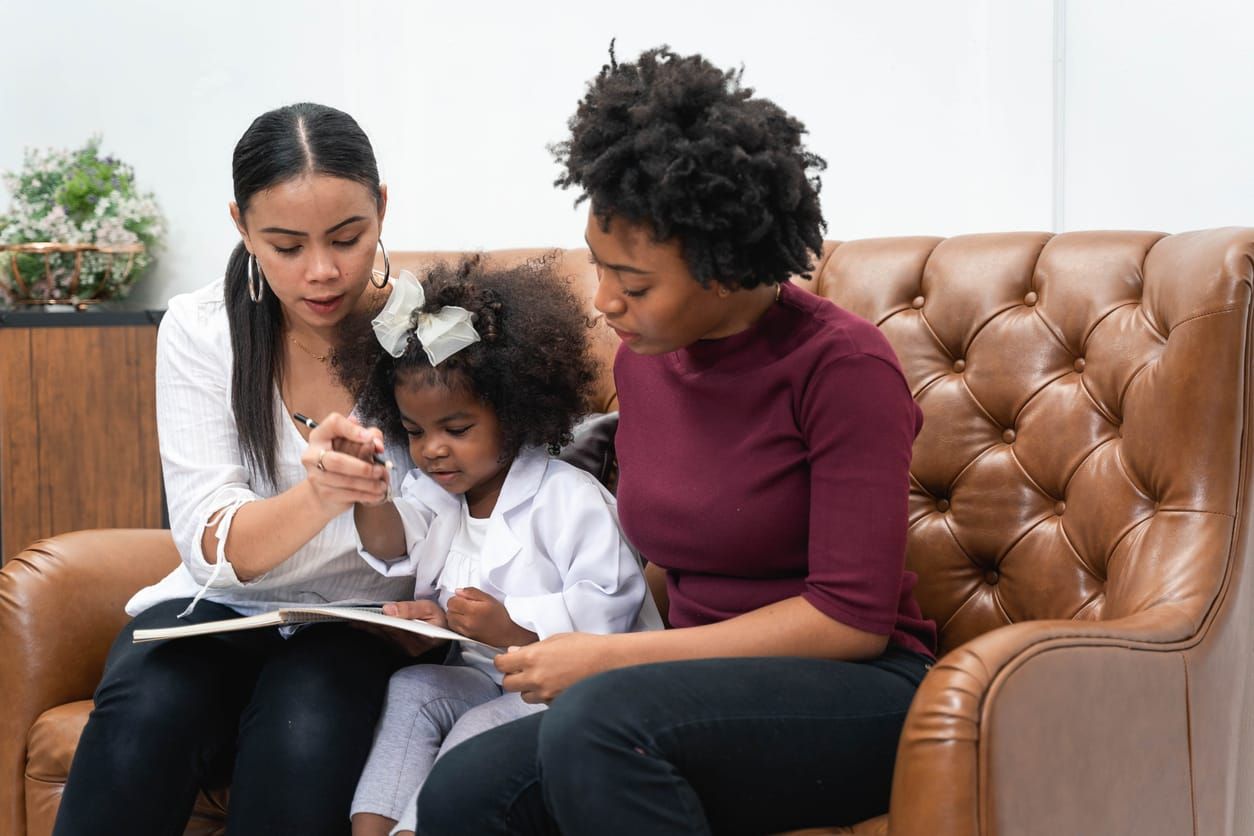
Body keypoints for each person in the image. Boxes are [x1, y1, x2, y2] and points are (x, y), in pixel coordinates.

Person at [417, 47, 939, 835]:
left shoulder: (844, 367)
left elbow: (850, 619)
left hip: (858, 693)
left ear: (722, 270)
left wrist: (610, 659)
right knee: (463, 790)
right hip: (683, 690)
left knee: (597, 724)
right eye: (599, 268)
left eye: (632, 284)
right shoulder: (645, 362)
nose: (603, 302)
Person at [55, 103, 424, 836]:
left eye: (348, 238)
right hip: (212, 613)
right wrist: (321, 495)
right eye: (285, 245)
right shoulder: (200, 329)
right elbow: (209, 544)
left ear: (381, 208)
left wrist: (370, 503)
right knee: (148, 706)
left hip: (358, 627)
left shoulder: (433, 326)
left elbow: (455, 525)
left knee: (308, 720)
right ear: (241, 226)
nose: (322, 271)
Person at [332, 257, 662, 836]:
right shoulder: (438, 496)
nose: (432, 450)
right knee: (413, 689)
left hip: (579, 689)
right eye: (414, 432)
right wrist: (369, 493)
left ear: (512, 415)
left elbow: (605, 619)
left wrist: (507, 627)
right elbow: (393, 540)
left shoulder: (568, 500)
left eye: (456, 430)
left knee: (478, 726)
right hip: (492, 679)